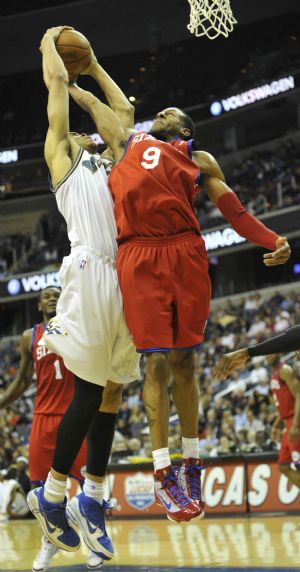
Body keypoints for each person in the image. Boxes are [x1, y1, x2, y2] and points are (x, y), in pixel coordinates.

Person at [70, 61, 291, 521]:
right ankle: (163, 470)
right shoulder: (128, 140)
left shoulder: (198, 158)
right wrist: (71, 77)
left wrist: (274, 240)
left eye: (171, 112)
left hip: (186, 253)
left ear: (184, 129)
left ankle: (192, 460)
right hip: (140, 256)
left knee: (185, 360)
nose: (163, 112)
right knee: (155, 362)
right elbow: (95, 105)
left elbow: (236, 212)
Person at [27, 26, 140, 562]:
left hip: (127, 273)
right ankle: (52, 498)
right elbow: (54, 86)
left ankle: (91, 497)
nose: (92, 135)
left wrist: (92, 66)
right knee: (92, 390)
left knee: (114, 389)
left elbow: (124, 116)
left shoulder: (109, 159)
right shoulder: (62, 153)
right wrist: (53, 47)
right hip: (91, 269)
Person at [0, 286, 110, 570]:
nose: (52, 297)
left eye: (57, 294)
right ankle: (50, 543)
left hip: (77, 415)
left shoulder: (77, 325)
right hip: (43, 418)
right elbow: (23, 380)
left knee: (92, 485)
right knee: (42, 492)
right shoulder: (29, 336)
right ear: (38, 305)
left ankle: (96, 540)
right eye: (46, 295)